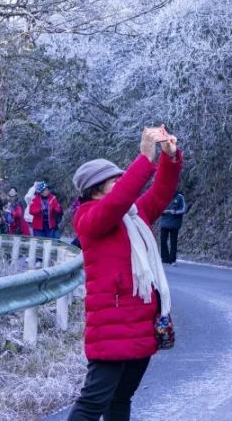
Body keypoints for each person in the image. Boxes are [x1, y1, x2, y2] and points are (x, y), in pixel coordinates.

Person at [67, 126, 181, 421]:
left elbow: (161, 193)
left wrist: (169, 158)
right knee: (92, 404)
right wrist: (145, 157)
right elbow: (116, 202)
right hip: (111, 330)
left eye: (121, 179)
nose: (122, 185)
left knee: (121, 400)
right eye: (114, 181)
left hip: (141, 325)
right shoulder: (89, 218)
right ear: (95, 190)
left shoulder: (134, 215)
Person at [158, 189, 187, 265]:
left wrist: (176, 212)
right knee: (163, 241)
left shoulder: (180, 197)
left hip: (175, 223)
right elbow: (158, 208)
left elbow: (184, 209)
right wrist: (164, 211)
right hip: (164, 223)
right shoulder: (163, 196)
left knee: (173, 242)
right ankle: (165, 259)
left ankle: (172, 260)